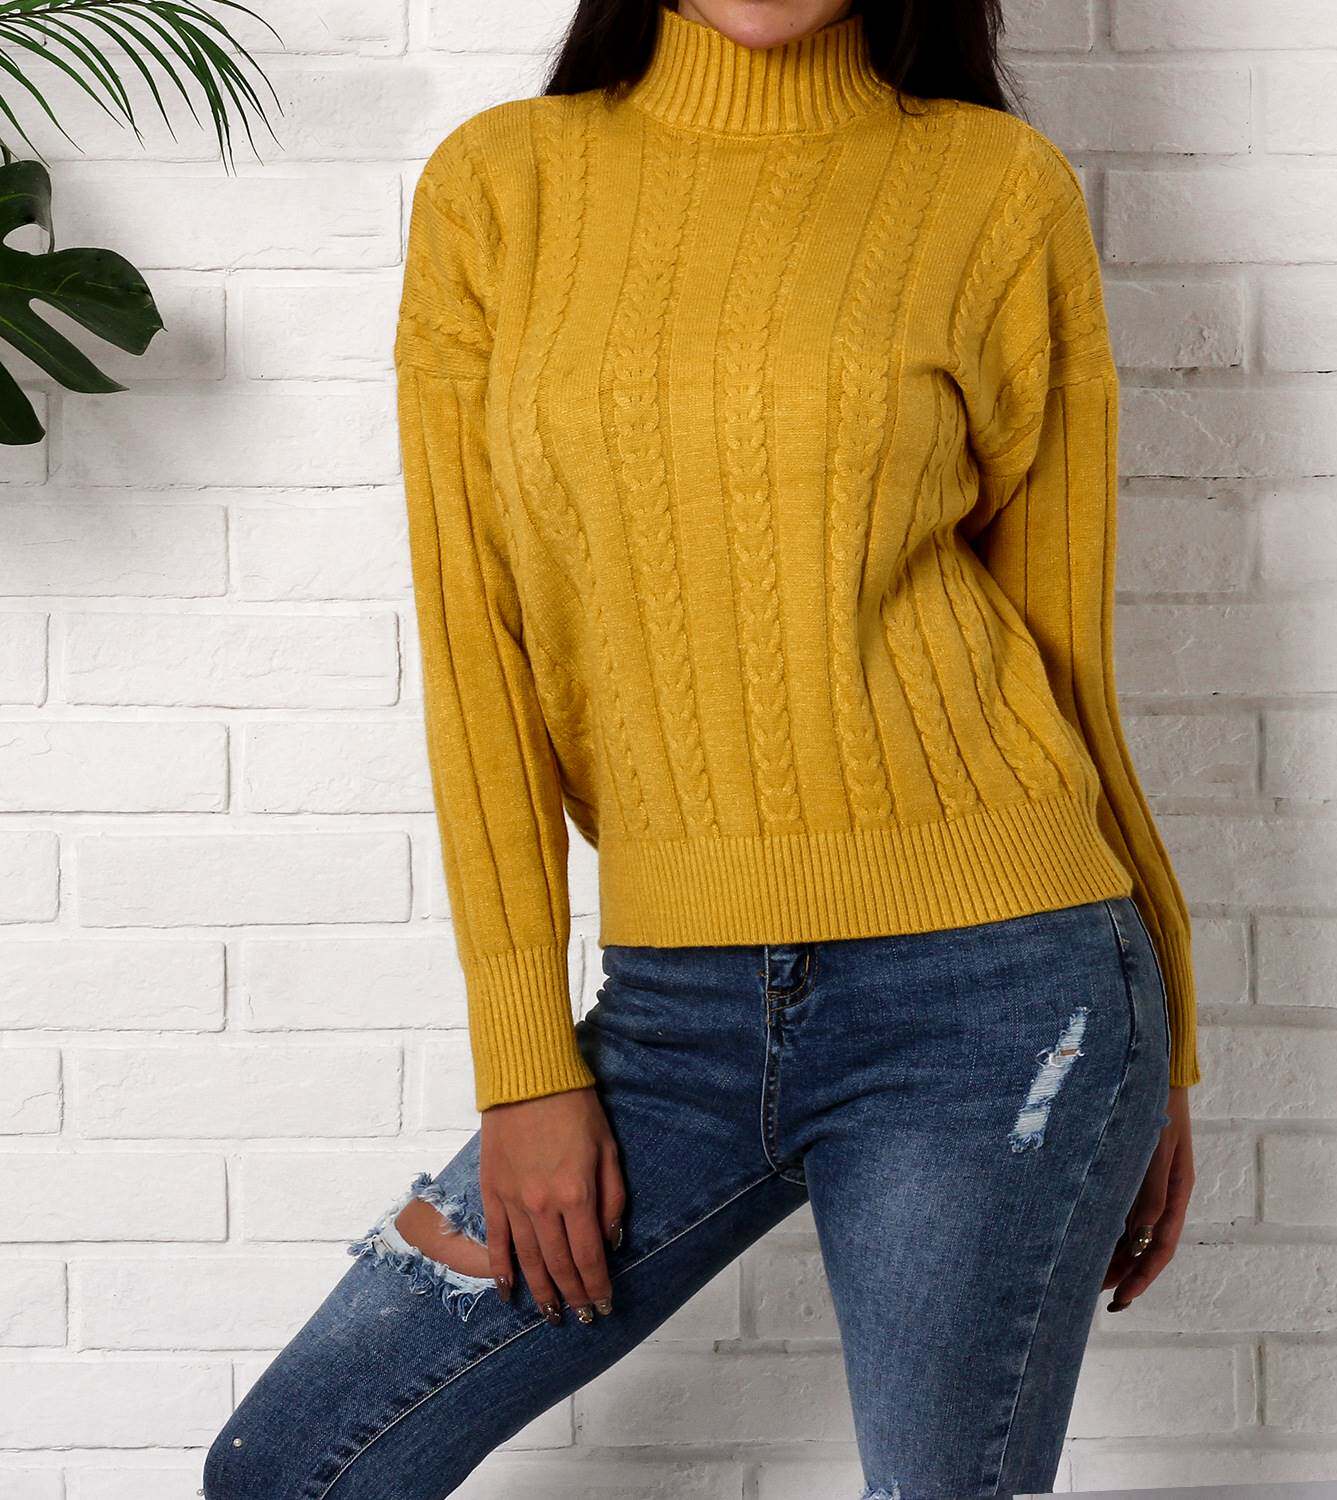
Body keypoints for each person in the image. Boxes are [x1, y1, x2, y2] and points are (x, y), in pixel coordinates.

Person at [202, 2, 1201, 1495]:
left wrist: (1160, 1045)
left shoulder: (996, 189)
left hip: (1005, 992)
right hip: (675, 1015)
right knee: (294, 1467)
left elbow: (1068, 655)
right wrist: (523, 1068)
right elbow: (477, 652)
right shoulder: (501, 187)